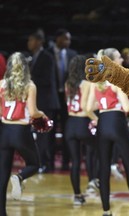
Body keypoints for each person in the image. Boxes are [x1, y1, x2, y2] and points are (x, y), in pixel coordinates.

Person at [87, 48, 129, 216]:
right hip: (118, 123)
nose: (122, 59)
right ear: (112, 61)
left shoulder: (95, 83)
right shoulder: (117, 82)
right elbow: (127, 107)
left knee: (104, 168)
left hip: (103, 123)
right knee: (128, 165)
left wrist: (99, 116)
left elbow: (89, 108)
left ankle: (106, 211)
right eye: (119, 57)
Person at [0, 52, 47, 216]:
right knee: (34, 164)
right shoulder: (29, 85)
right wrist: (43, 115)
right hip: (21, 131)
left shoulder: (1, 84)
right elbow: (33, 112)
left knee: (2, 173)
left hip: (4, 131)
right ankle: (19, 177)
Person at [65, 55, 99, 205]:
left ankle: (77, 196)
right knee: (98, 151)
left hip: (70, 123)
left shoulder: (68, 83)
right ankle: (94, 180)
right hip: (83, 121)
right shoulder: (87, 83)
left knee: (75, 162)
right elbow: (87, 107)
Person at [27, 29, 60, 173]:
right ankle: (41, 162)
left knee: (44, 135)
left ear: (39, 41)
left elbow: (47, 80)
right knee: (40, 135)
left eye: (31, 40)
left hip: (46, 101)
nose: (29, 43)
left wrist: (29, 80)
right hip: (39, 101)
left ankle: (43, 163)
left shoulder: (47, 57)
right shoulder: (31, 57)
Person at [47, 28, 77, 170]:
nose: (68, 42)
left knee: (67, 130)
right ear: (58, 39)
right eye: (66, 39)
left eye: (69, 39)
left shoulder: (73, 55)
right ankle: (49, 162)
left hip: (67, 97)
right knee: (50, 131)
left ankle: (66, 162)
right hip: (51, 96)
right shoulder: (47, 54)